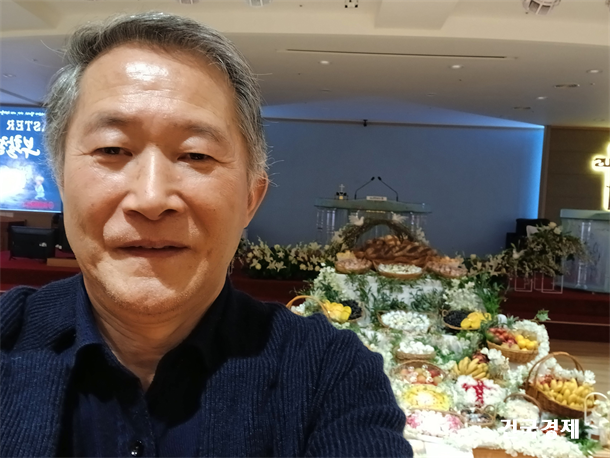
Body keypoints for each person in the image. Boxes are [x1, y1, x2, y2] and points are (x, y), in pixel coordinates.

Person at [0, 12, 412, 458]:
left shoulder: (330, 377)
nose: (151, 198)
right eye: (113, 149)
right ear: (61, 181)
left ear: (250, 199)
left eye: (196, 155)